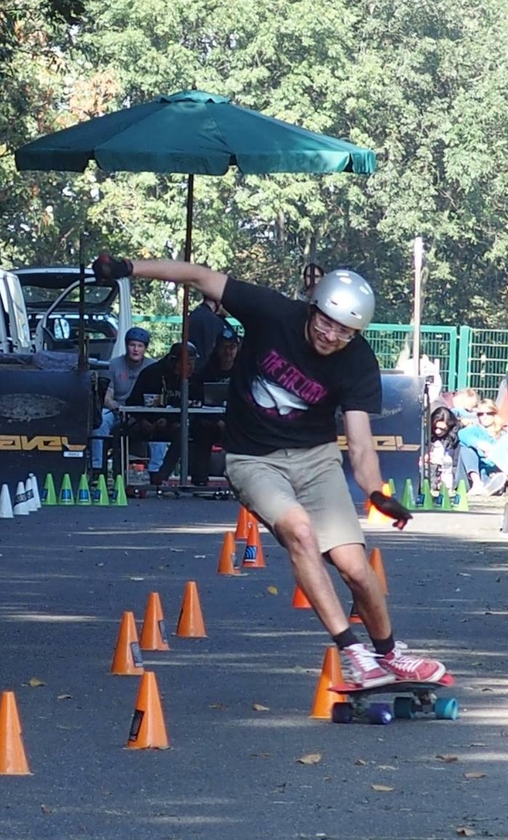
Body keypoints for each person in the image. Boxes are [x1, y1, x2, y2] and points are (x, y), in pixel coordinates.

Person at [93, 249, 447, 688]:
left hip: (315, 459)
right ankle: (353, 653)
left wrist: (376, 493)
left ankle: (390, 654)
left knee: (355, 567)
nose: (331, 335)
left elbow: (359, 443)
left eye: (344, 331)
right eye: (326, 322)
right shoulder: (272, 312)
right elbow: (199, 276)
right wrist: (130, 269)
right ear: (313, 306)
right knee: (298, 529)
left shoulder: (357, 363)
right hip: (253, 459)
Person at [126, 340, 198, 487]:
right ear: (173, 361)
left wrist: (168, 420)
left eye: (192, 363)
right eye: (187, 363)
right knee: (119, 431)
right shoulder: (151, 373)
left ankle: (162, 475)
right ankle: (120, 476)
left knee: (184, 432)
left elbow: (195, 405)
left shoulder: (194, 379)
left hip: (171, 424)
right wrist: (142, 420)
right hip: (144, 422)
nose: (191, 367)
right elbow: (132, 401)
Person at [89, 326, 149, 475]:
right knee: (99, 421)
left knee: (160, 425)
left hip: (144, 412)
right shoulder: (114, 364)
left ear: (145, 348)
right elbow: (107, 396)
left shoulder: (152, 366)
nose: (136, 349)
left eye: (140, 346)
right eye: (132, 345)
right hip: (117, 410)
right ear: (126, 345)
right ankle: (97, 466)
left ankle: (157, 469)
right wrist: (117, 408)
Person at [189, 324, 241, 486]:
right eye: (224, 347)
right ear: (216, 348)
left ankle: (243, 482)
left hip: (238, 423)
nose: (228, 352)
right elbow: (196, 402)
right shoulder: (204, 373)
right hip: (209, 422)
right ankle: (200, 480)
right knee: (202, 430)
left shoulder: (245, 372)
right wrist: (217, 420)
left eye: (232, 347)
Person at [421, 405, 460, 500]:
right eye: (435, 428)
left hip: (447, 472)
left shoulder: (454, 440)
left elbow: (454, 464)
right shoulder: (425, 435)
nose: (438, 431)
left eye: (443, 429)